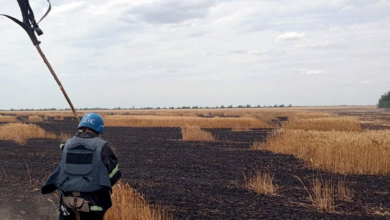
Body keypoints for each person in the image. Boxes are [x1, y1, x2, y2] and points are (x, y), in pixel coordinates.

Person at [42, 113, 121, 220]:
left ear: (81, 127)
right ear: (99, 129)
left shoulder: (67, 144)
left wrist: (77, 136)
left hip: (67, 201)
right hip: (93, 203)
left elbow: (64, 147)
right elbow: (114, 174)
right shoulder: (102, 147)